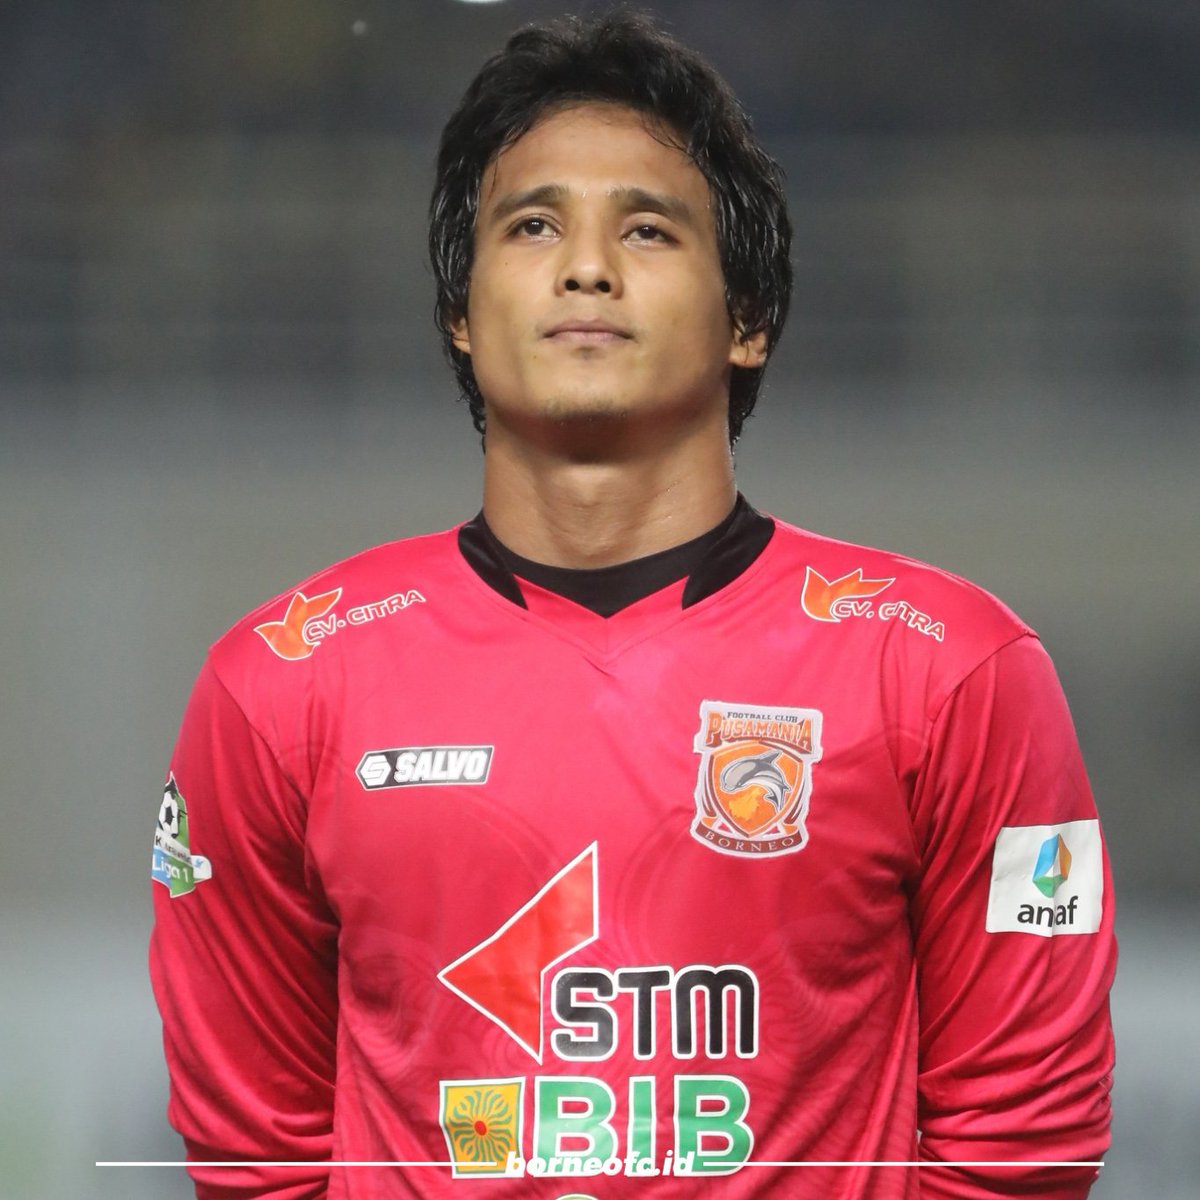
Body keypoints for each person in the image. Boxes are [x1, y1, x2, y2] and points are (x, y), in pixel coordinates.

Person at [150, 12, 1115, 1199]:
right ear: (461, 312)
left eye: (647, 228)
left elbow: (1025, 1148)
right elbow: (256, 1161)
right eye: (534, 224)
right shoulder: (280, 686)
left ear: (749, 319)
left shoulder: (953, 671)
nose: (587, 266)